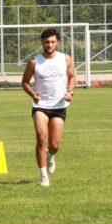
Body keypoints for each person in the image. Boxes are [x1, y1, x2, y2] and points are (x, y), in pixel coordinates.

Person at [21, 28, 75, 187]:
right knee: (41, 138)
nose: (49, 45)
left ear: (57, 42)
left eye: (52, 42)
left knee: (54, 144)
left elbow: (72, 77)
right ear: (42, 43)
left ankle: (51, 156)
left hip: (59, 106)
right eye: (46, 42)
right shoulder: (34, 62)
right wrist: (32, 94)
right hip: (40, 106)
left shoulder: (65, 59)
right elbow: (24, 82)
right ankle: (43, 177)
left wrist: (70, 92)